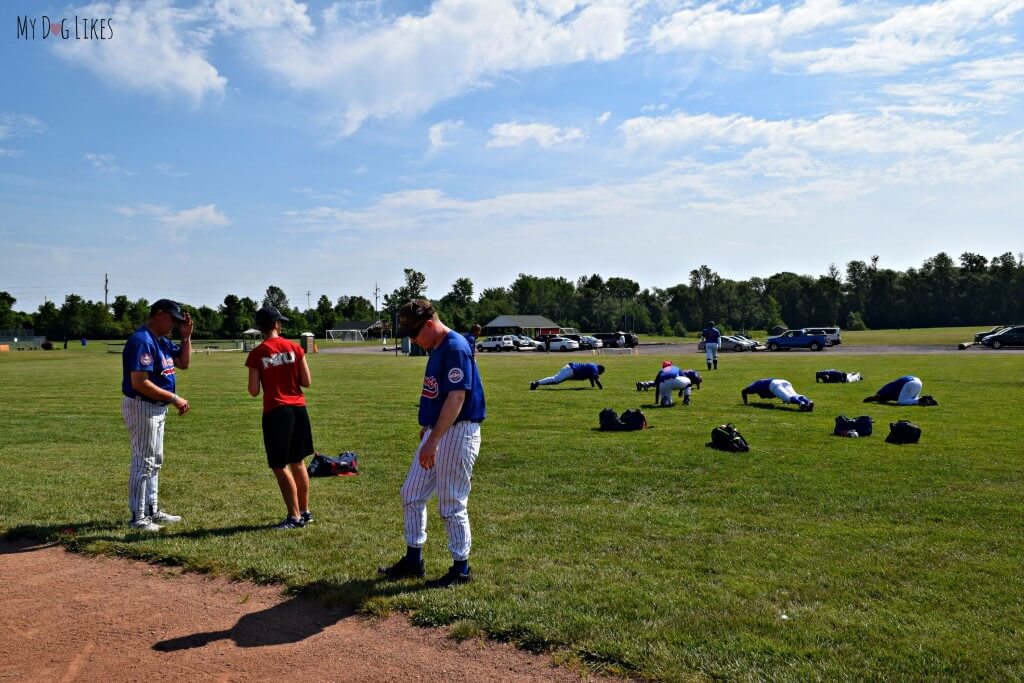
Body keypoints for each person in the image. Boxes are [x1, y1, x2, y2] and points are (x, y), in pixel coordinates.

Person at [379, 300, 485, 588]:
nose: (413, 340)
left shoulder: (454, 347)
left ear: (428, 324)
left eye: (414, 334)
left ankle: (461, 567)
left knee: (451, 502)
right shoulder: (437, 346)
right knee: (411, 493)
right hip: (438, 431)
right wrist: (428, 429)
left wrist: (433, 440)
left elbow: (457, 398)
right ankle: (414, 559)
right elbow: (439, 395)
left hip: (457, 432)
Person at [121, 299, 192, 532]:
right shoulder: (143, 340)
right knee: (143, 462)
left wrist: (186, 337)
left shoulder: (161, 340)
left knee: (155, 461)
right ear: (159, 314)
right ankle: (137, 517)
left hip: (156, 408)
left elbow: (184, 363)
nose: (175, 324)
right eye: (173, 319)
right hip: (143, 406)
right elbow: (139, 383)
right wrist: (173, 397)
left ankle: (152, 510)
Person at [245, 305, 315, 531]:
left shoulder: (257, 353)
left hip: (276, 411)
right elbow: (306, 382)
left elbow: (253, 390)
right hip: (298, 408)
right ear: (276, 324)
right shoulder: (294, 347)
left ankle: (293, 517)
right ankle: (305, 512)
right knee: (298, 461)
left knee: (279, 464)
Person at [741, 378, 814, 411]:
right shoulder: (760, 384)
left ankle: (800, 403)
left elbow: (743, 391)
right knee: (795, 395)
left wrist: (746, 404)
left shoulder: (754, 386)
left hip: (773, 384)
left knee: (787, 397)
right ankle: (808, 402)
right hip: (783, 381)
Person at [863, 375, 936, 406]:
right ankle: (927, 400)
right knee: (911, 400)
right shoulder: (892, 393)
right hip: (918, 381)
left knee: (901, 402)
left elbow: (876, 396)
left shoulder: (884, 390)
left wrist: (871, 399)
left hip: (910, 382)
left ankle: (922, 400)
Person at [530, 362, 605, 390]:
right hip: (570, 370)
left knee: (556, 380)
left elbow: (591, 377)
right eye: (599, 373)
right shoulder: (594, 368)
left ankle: (537, 383)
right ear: (599, 370)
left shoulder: (593, 365)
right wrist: (601, 389)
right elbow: (596, 379)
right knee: (555, 380)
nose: (598, 375)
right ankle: (536, 383)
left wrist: (592, 386)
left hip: (570, 369)